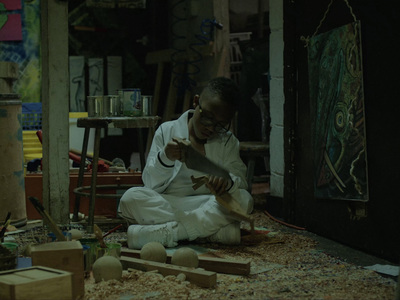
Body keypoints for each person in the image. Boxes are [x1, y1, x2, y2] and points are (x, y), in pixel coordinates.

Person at [118, 77, 253, 249]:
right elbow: (150, 184)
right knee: (131, 198)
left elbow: (240, 180)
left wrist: (228, 182)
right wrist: (165, 157)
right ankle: (212, 232)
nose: (211, 128)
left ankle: (172, 233)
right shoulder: (167, 130)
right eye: (208, 118)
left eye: (220, 125)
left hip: (208, 203)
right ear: (196, 102)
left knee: (245, 199)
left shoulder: (228, 141)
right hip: (170, 203)